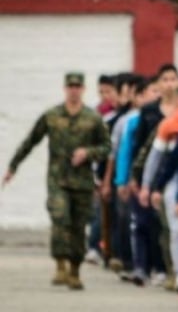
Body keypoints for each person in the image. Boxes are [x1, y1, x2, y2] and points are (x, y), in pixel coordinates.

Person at [3, 72, 111, 290]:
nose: (74, 90)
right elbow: (31, 141)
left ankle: (75, 270)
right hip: (58, 179)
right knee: (60, 217)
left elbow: (106, 148)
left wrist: (88, 153)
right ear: (65, 89)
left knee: (78, 227)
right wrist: (13, 166)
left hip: (82, 182)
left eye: (77, 86)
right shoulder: (52, 116)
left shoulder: (93, 118)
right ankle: (60, 263)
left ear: (83, 89)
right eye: (70, 86)